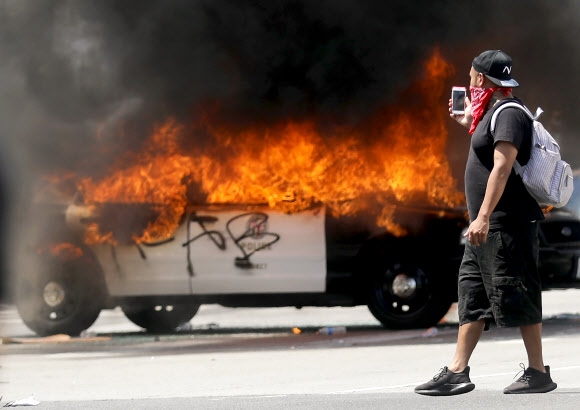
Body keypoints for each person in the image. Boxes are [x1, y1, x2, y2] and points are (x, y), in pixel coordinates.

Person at [414, 50, 557, 396]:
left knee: (518, 290)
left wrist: (482, 217)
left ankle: (538, 372)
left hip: (505, 225)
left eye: (473, 75)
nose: (470, 81)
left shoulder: (508, 114)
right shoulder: (492, 113)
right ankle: (457, 371)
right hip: (486, 228)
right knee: (472, 294)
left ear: (482, 79)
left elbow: (502, 168)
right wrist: (470, 125)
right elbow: (486, 153)